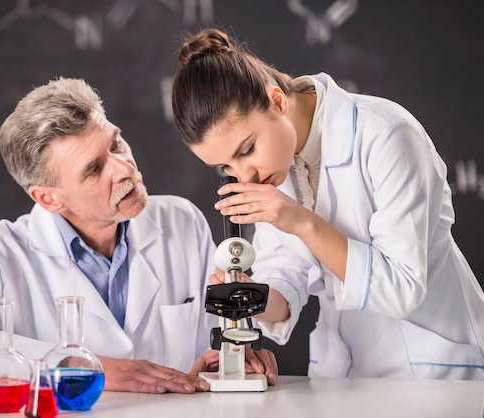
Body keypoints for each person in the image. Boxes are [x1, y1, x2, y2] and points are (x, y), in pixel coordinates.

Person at [0, 77, 277, 392]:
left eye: (115, 144)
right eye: (94, 169)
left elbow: (213, 338)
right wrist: (75, 366)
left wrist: (230, 357)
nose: (123, 168)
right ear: (48, 198)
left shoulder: (181, 222)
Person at [171, 27, 484, 380]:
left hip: (431, 374)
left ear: (277, 101)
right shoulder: (277, 166)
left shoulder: (389, 135)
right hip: (342, 376)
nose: (245, 176)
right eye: (227, 166)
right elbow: (288, 277)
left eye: (247, 150)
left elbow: (402, 288)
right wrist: (249, 295)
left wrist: (302, 222)